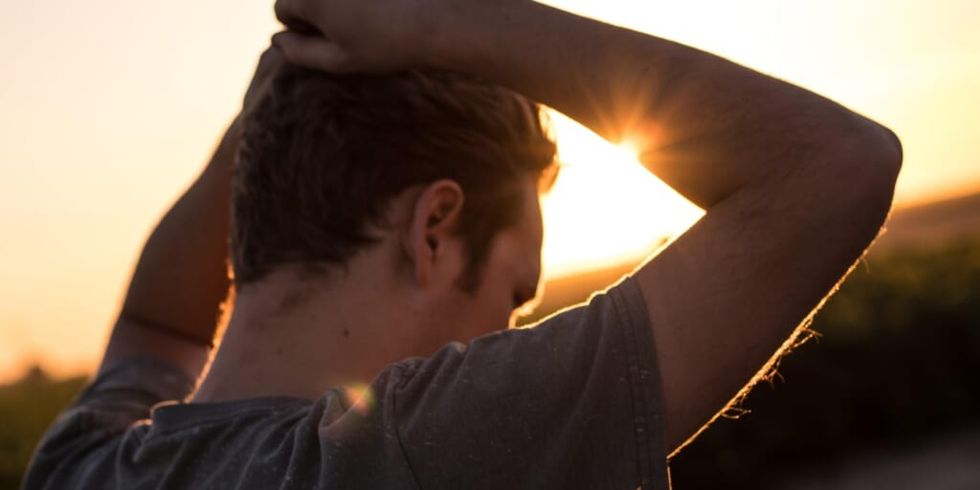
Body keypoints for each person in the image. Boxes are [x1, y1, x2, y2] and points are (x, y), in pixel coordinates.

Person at [25, 1, 902, 488]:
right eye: (515, 293)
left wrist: (269, 107)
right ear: (434, 231)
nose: (509, 334)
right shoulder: (417, 456)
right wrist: (436, 21)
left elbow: (154, 324)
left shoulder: (81, 464)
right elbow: (835, 167)